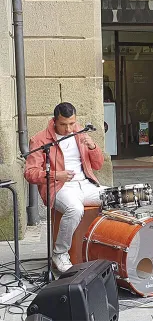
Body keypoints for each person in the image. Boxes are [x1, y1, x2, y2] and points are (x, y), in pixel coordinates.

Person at [24, 102, 105, 272]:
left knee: (114, 198)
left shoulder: (80, 133)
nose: (69, 129)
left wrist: (93, 147)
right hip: (60, 187)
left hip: (86, 184)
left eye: (72, 123)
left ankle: (106, 249)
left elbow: (98, 165)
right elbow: (30, 173)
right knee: (75, 209)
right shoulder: (40, 140)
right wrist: (56, 175)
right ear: (54, 121)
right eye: (63, 124)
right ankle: (60, 253)